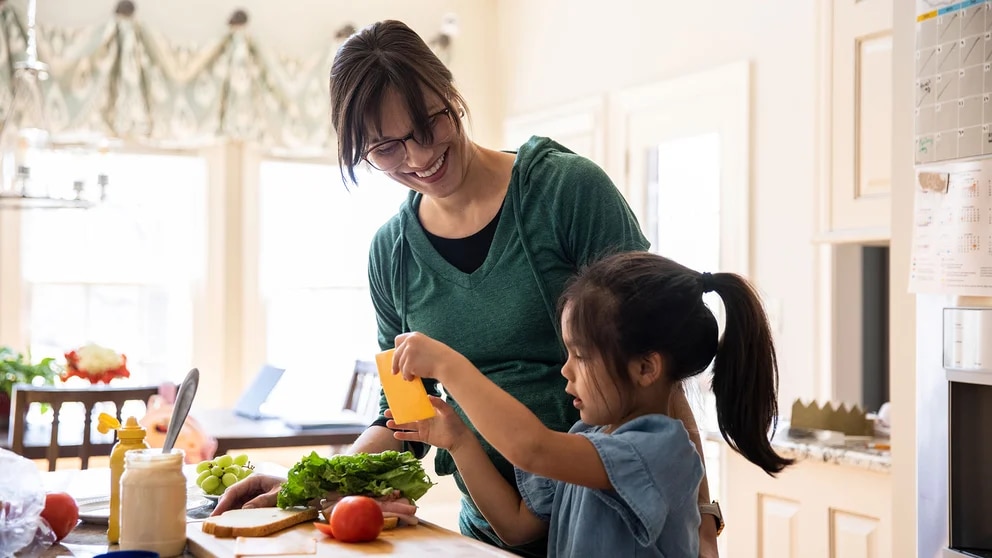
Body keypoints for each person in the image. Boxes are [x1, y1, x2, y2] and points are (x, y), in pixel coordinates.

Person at [213, 19, 721, 557]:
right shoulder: (392, 254)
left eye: (428, 125)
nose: (417, 157)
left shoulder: (564, 193)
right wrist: (302, 489)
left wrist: (703, 525)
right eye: (385, 149)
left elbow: (656, 363)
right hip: (497, 531)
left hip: (620, 527)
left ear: (450, 92)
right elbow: (407, 412)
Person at [386, 251, 794, 557]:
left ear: (646, 367)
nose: (566, 370)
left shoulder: (659, 452)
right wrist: (459, 441)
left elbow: (532, 447)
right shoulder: (588, 437)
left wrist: (448, 365)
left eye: (580, 356)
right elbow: (515, 526)